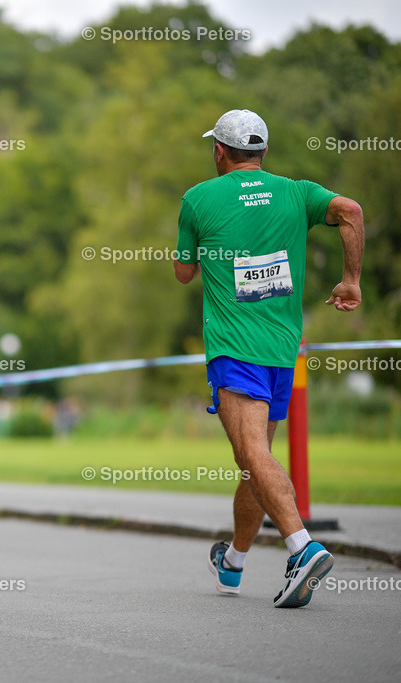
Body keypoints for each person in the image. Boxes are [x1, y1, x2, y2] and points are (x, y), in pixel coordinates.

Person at [174, 109, 364, 608]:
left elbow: (183, 273)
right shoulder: (297, 193)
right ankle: (233, 561)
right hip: (284, 351)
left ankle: (302, 547)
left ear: (219, 150)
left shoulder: (198, 198)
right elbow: (352, 212)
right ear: (262, 152)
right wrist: (351, 280)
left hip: (235, 349)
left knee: (252, 455)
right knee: (252, 459)